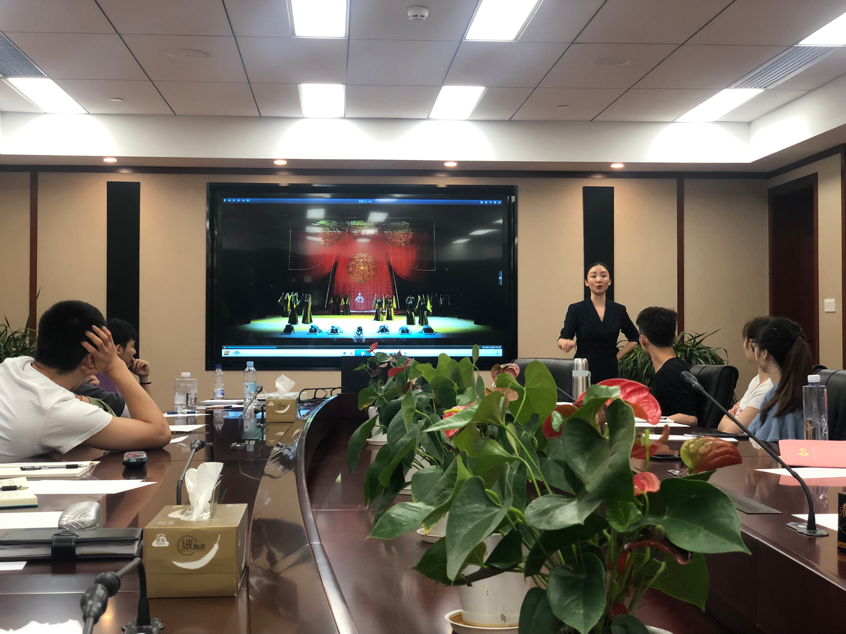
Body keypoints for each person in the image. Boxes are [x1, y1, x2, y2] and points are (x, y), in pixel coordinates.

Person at [0, 300, 170, 463]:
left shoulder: (14, 365)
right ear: (91, 360)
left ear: (39, 344)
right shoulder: (55, 407)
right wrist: (114, 364)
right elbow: (160, 432)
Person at [557, 262, 639, 383]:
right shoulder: (576, 309)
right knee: (581, 393)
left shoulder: (619, 310)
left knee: (608, 394)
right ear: (586, 282)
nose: (599, 280)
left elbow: (635, 337)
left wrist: (617, 356)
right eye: (593, 276)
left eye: (603, 275)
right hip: (582, 367)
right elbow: (563, 338)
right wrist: (564, 343)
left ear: (609, 281)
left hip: (609, 367)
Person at [746, 317, 814, 441]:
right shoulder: (777, 393)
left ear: (765, 353)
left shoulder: (783, 403)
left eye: (754, 345)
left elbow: (764, 448)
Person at [636, 306, 697, 425]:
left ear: (643, 340)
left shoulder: (668, 374)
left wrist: (651, 422)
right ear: (674, 337)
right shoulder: (675, 366)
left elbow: (690, 418)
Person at [718, 317, 773, 433]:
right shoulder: (756, 381)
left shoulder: (768, 388)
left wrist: (730, 419)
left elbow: (730, 431)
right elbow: (722, 424)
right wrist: (729, 420)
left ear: (751, 344)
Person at [90, 318, 153, 397]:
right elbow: (144, 405)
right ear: (119, 349)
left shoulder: (117, 373)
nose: (134, 351)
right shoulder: (108, 376)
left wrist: (144, 377)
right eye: (132, 346)